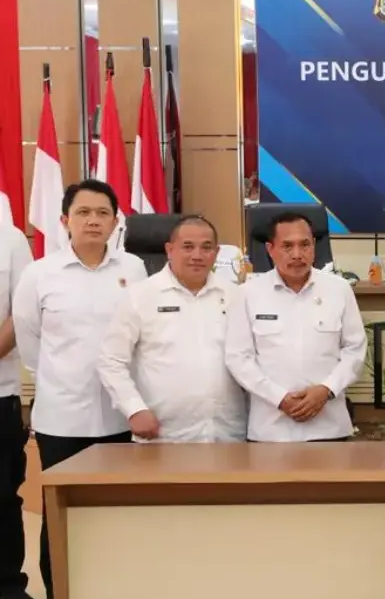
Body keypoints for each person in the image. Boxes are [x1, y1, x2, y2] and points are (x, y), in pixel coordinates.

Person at [12, 179, 147, 599]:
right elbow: (30, 341)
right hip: (63, 419)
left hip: (121, 416)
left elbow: (141, 336)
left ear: (116, 221)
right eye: (83, 212)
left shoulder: (133, 269)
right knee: (60, 514)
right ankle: (60, 590)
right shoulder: (40, 274)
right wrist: (63, 377)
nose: (93, 220)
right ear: (64, 220)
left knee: (115, 514)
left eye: (102, 213)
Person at [96, 215, 245, 443]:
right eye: (188, 247)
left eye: (206, 248)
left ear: (216, 253)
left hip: (227, 434)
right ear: (169, 250)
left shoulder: (236, 296)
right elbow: (111, 360)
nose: (197, 255)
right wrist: (134, 409)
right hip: (163, 435)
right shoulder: (140, 296)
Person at [225, 212, 366, 442]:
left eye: (305, 245)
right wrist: (280, 398)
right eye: (287, 246)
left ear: (314, 246)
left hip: (329, 427)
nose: (297, 254)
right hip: (271, 430)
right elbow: (238, 358)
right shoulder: (248, 294)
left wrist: (326, 390)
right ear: (270, 249)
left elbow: (355, 350)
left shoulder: (339, 289)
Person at [0, 224, 32, 599]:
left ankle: (8, 587)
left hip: (0, 394)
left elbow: (19, 314)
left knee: (3, 500)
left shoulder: (8, 238)